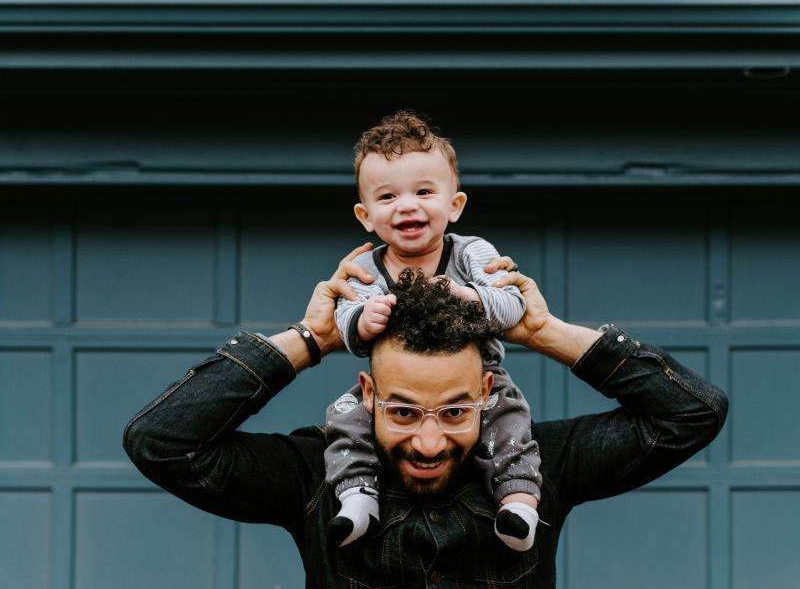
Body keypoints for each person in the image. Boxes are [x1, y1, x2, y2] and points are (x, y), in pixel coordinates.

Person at [123, 245, 728, 589]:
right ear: (368, 394)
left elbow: (691, 413)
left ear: (488, 390)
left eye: (456, 410)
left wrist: (544, 332)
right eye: (404, 411)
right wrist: (312, 338)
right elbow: (161, 441)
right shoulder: (314, 476)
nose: (430, 441)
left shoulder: (540, 466)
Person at [327, 110, 540, 550]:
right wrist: (362, 320)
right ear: (366, 216)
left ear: (454, 205)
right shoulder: (365, 267)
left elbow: (512, 305)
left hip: (479, 376)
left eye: (424, 192)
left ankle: (518, 503)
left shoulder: (471, 253)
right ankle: (357, 495)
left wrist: (469, 296)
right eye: (388, 197)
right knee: (346, 417)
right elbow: (345, 321)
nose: (407, 205)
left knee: (510, 420)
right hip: (395, 388)